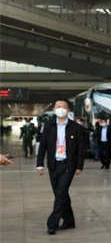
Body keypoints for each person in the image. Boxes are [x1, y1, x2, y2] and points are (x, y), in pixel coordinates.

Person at [36, 100, 86, 235]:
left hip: (68, 165)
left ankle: (52, 223)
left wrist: (80, 166)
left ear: (68, 110)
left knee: (60, 193)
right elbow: (43, 146)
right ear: (54, 110)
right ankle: (69, 221)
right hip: (53, 165)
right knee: (61, 194)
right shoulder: (48, 126)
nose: (60, 109)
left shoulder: (76, 127)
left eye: (63, 107)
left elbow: (81, 149)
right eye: (58, 107)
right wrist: (39, 164)